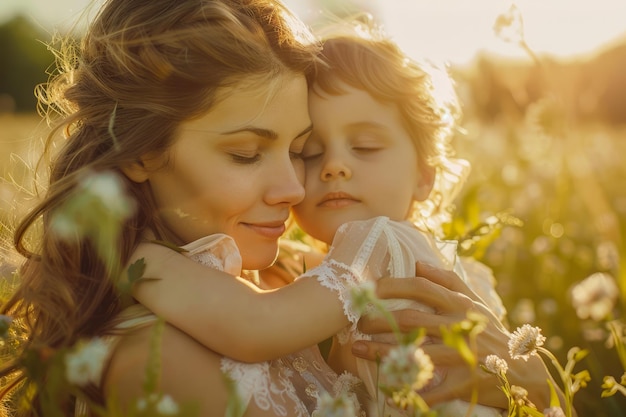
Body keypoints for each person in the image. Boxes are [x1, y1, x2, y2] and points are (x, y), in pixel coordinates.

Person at [0, 1, 566, 416]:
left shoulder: (294, 270)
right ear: (145, 151)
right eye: (246, 153)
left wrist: (534, 384)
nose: (296, 187)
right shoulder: (151, 362)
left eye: (297, 150)